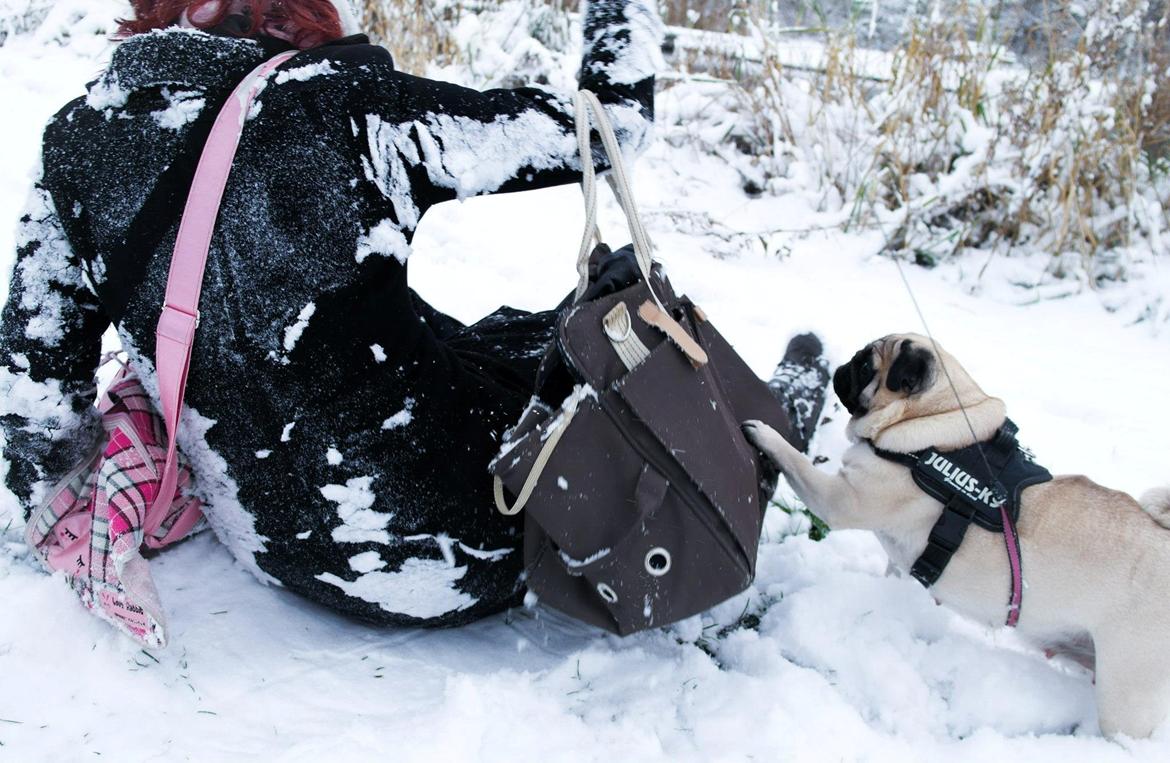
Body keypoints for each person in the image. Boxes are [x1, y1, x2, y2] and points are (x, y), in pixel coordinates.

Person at [0, 0, 826, 627]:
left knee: (498, 332)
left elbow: (34, 400)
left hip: (272, 546)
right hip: (464, 545)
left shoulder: (75, 141)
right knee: (605, 336)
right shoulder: (346, 107)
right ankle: (754, 428)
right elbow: (609, 128)